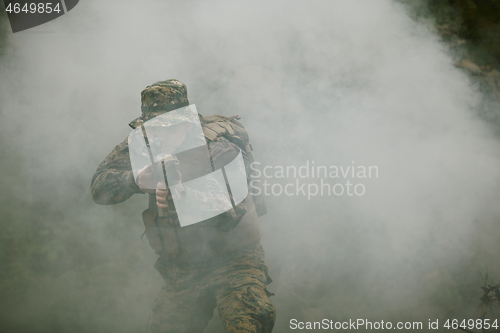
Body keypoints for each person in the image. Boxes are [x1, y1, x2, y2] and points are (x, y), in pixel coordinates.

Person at [90, 79, 275, 333]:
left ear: (187, 122)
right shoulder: (143, 142)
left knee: (247, 325)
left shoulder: (220, 146)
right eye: (154, 128)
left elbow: (229, 212)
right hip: (184, 269)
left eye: (169, 128)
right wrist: (134, 179)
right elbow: (98, 187)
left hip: (236, 262)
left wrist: (181, 195)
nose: (160, 135)